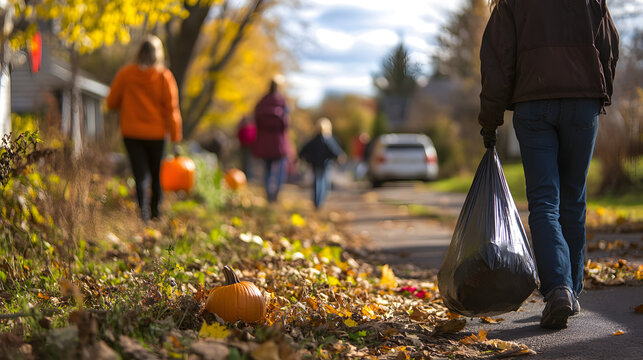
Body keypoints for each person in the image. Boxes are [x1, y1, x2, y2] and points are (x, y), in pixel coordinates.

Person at [478, 0, 618, 329]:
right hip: (582, 103)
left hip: (533, 103)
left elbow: (497, 59)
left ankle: (559, 288)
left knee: (544, 200)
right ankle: (570, 290)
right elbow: (608, 46)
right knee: (573, 198)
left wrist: (490, 119)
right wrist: (600, 93)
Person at [107, 35, 182, 222]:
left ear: (139, 52)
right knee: (156, 174)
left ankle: (143, 215)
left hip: (131, 132)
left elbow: (111, 102)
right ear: (158, 54)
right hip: (156, 134)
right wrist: (175, 139)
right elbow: (172, 110)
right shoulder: (165, 76)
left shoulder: (126, 74)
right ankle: (156, 213)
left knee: (140, 174)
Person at [251, 76, 289, 202]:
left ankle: (268, 193)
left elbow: (255, 120)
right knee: (280, 169)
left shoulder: (262, 101)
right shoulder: (282, 102)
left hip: (264, 142)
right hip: (278, 142)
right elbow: (286, 124)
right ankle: (276, 193)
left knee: (267, 169)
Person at [298, 118, 346, 209]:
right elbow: (334, 150)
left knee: (317, 182)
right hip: (325, 164)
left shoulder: (313, 139)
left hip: (315, 164)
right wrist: (340, 156)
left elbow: (303, 151)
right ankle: (320, 201)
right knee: (324, 182)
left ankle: (316, 201)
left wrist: (306, 158)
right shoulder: (328, 139)